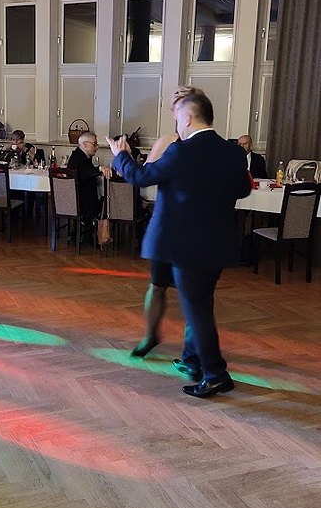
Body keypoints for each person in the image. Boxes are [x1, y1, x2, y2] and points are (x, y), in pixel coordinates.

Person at [107, 92, 251, 398]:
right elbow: (243, 190)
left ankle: (216, 373)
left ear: (187, 118)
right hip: (218, 243)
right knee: (202, 305)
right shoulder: (234, 152)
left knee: (198, 312)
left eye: (177, 117)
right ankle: (197, 362)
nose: (176, 123)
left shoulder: (180, 151)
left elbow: (140, 177)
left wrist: (120, 155)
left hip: (188, 246)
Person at [131, 86, 204, 358]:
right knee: (157, 285)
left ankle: (191, 352)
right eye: (177, 104)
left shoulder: (204, 143)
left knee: (194, 294)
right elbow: (146, 176)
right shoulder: (166, 142)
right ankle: (150, 335)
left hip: (195, 228)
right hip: (167, 225)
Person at [68, 132, 113, 235]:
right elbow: (81, 174)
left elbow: (87, 172)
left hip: (82, 198)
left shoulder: (83, 156)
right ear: (84, 144)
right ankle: (96, 232)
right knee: (106, 202)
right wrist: (99, 169)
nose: (97, 147)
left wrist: (96, 174)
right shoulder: (78, 157)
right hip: (81, 201)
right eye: (94, 144)